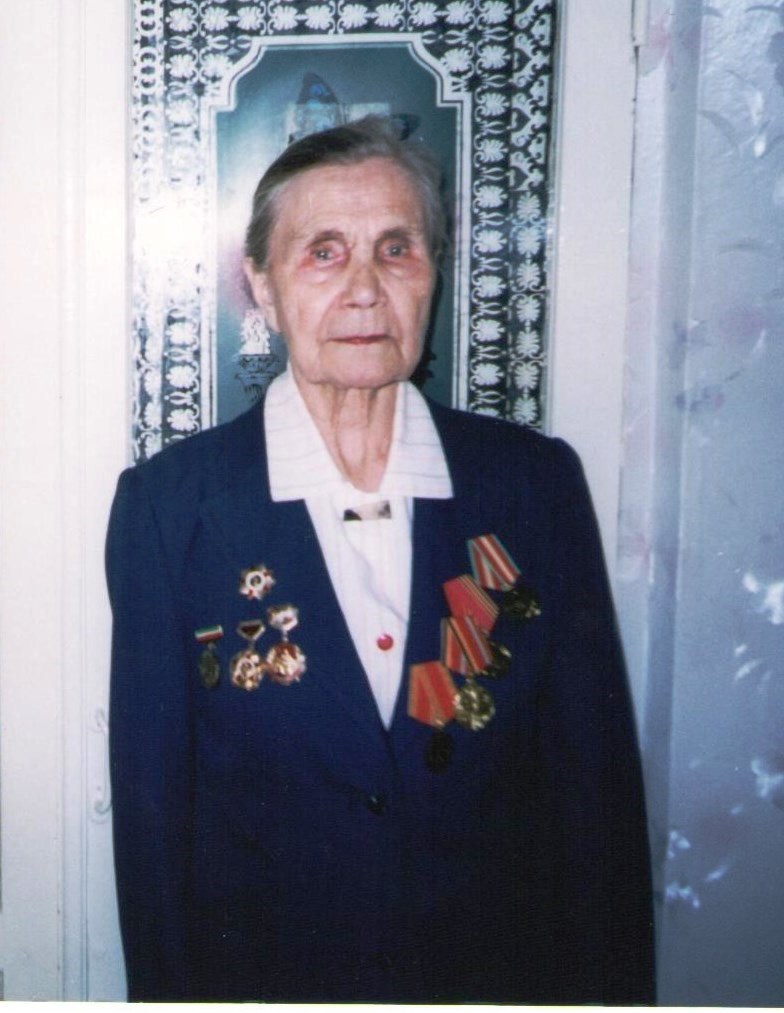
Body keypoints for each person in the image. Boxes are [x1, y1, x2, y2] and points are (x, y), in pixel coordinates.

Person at [107, 116, 654, 1003]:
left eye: (396, 249)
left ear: (432, 273)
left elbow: (596, 803)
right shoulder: (172, 510)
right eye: (323, 253)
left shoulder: (533, 488)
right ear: (263, 284)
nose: (365, 289)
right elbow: (154, 828)